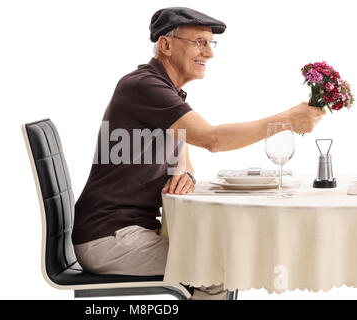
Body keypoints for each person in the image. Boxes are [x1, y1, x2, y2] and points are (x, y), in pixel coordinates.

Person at [71, 7, 325, 300]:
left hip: (120, 232)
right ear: (166, 45)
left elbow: (184, 146)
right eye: (199, 42)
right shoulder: (144, 87)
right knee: (215, 268)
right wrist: (287, 121)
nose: (209, 53)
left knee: (221, 257)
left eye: (210, 43)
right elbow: (211, 139)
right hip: (109, 238)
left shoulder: (162, 90)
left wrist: (185, 171)